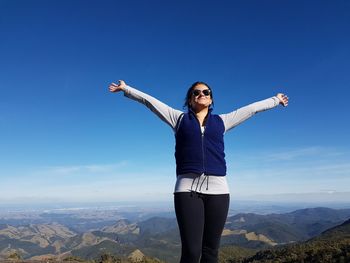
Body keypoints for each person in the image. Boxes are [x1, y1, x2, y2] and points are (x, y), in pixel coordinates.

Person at [108, 80, 289, 263]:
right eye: (196, 92)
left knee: (211, 251)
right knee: (192, 252)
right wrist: (126, 89)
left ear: (211, 99)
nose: (201, 94)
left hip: (219, 191)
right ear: (190, 100)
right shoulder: (178, 119)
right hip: (187, 191)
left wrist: (276, 100)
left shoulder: (222, 121)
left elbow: (251, 109)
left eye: (206, 92)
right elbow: (151, 102)